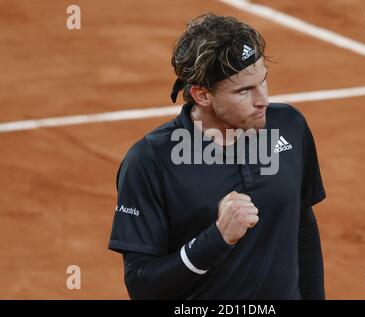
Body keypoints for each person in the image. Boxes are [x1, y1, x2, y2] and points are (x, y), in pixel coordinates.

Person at [108, 13, 326, 300]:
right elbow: (142, 286)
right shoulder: (151, 161)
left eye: (263, 81)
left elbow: (302, 227)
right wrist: (216, 238)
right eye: (244, 91)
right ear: (202, 95)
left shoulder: (289, 126)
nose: (263, 100)